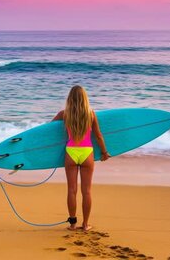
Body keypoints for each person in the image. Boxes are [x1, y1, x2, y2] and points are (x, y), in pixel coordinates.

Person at [53, 85, 110, 231]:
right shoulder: (91, 114)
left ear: (70, 99)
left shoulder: (64, 114)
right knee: (87, 191)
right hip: (87, 153)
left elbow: (48, 131)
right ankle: (85, 224)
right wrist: (104, 152)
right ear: (85, 98)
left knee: (71, 190)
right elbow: (98, 135)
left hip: (71, 152)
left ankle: (72, 224)